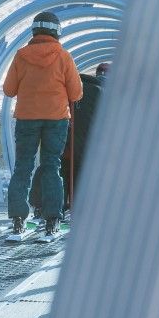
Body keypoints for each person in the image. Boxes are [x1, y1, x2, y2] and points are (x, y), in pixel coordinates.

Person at [1, 12, 81, 238]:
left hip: (27, 118)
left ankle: (18, 221)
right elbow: (76, 93)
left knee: (23, 167)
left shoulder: (21, 55)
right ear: (57, 31)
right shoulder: (64, 56)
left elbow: (8, 90)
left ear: (34, 30)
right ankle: (52, 221)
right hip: (56, 119)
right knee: (51, 166)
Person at [63, 58, 107, 213]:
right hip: (90, 146)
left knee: (65, 170)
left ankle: (59, 207)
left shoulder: (72, 89)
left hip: (66, 142)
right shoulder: (103, 93)